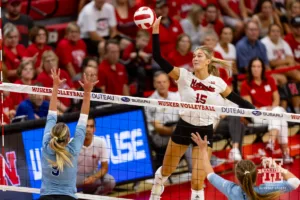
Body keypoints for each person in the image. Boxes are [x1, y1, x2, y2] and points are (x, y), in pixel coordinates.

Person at [150, 16, 255, 200]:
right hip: (184, 127)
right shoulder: (183, 76)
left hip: (205, 131)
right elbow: (158, 57)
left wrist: (254, 111)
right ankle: (157, 187)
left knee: (198, 181)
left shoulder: (217, 82)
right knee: (167, 170)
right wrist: (155, 31)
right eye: (194, 55)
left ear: (208, 61)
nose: (195, 57)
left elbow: (237, 99)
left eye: (199, 55)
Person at [39, 68, 98, 200]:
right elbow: (83, 118)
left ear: (52, 134)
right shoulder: (73, 149)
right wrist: (87, 93)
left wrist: (55, 86)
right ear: (67, 139)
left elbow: (51, 116)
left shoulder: (46, 145)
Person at [190, 133, 300, 200]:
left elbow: (210, 174)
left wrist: (203, 150)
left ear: (237, 177)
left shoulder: (230, 189)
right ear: (255, 175)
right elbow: (295, 182)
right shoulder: (264, 190)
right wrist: (275, 166)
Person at [240, 57, 294, 164]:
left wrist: (272, 107)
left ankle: (271, 141)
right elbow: (250, 106)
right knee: (280, 115)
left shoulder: (270, 80)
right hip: (257, 114)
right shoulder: (245, 84)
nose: (256, 69)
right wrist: (264, 110)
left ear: (262, 68)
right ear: (250, 69)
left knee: (278, 113)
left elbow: (276, 98)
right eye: (253, 66)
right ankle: (285, 154)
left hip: (272, 110)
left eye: (258, 66)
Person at [146, 71, 192, 171]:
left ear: (168, 83)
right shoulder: (150, 102)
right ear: (154, 84)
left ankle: (202, 164)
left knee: (195, 132)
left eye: (164, 82)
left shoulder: (176, 97)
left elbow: (186, 115)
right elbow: (158, 128)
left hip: (178, 129)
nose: (162, 84)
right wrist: (175, 131)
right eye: (159, 82)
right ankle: (194, 171)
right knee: (184, 137)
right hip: (159, 137)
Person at [76, 118, 116, 195]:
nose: (88, 129)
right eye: (86, 126)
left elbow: (105, 167)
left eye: (91, 127)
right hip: (76, 177)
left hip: (93, 176)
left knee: (110, 181)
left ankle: (95, 197)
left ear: (94, 129)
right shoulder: (72, 143)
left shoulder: (100, 142)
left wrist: (93, 177)